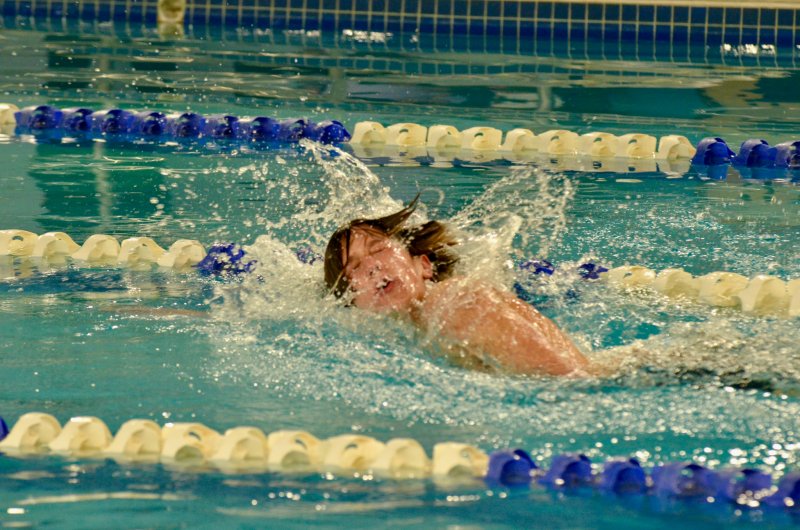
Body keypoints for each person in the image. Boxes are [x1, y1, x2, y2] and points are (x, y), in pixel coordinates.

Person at [324, 197, 591, 377]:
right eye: (354, 267)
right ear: (352, 300)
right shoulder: (415, 328)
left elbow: (572, 377)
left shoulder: (450, 300)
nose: (371, 267)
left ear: (424, 266)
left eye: (378, 249)